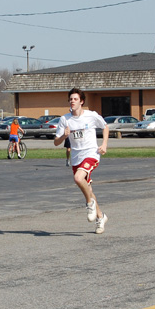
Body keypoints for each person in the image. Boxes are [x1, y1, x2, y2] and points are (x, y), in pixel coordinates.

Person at [54, 87, 110, 234]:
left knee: (78, 178)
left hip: (91, 153)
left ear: (82, 101)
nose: (72, 101)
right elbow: (55, 142)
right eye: (71, 99)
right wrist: (64, 136)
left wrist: (104, 144)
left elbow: (105, 127)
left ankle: (89, 203)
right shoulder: (65, 119)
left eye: (75, 99)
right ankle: (101, 217)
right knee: (88, 189)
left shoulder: (91, 116)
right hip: (76, 157)